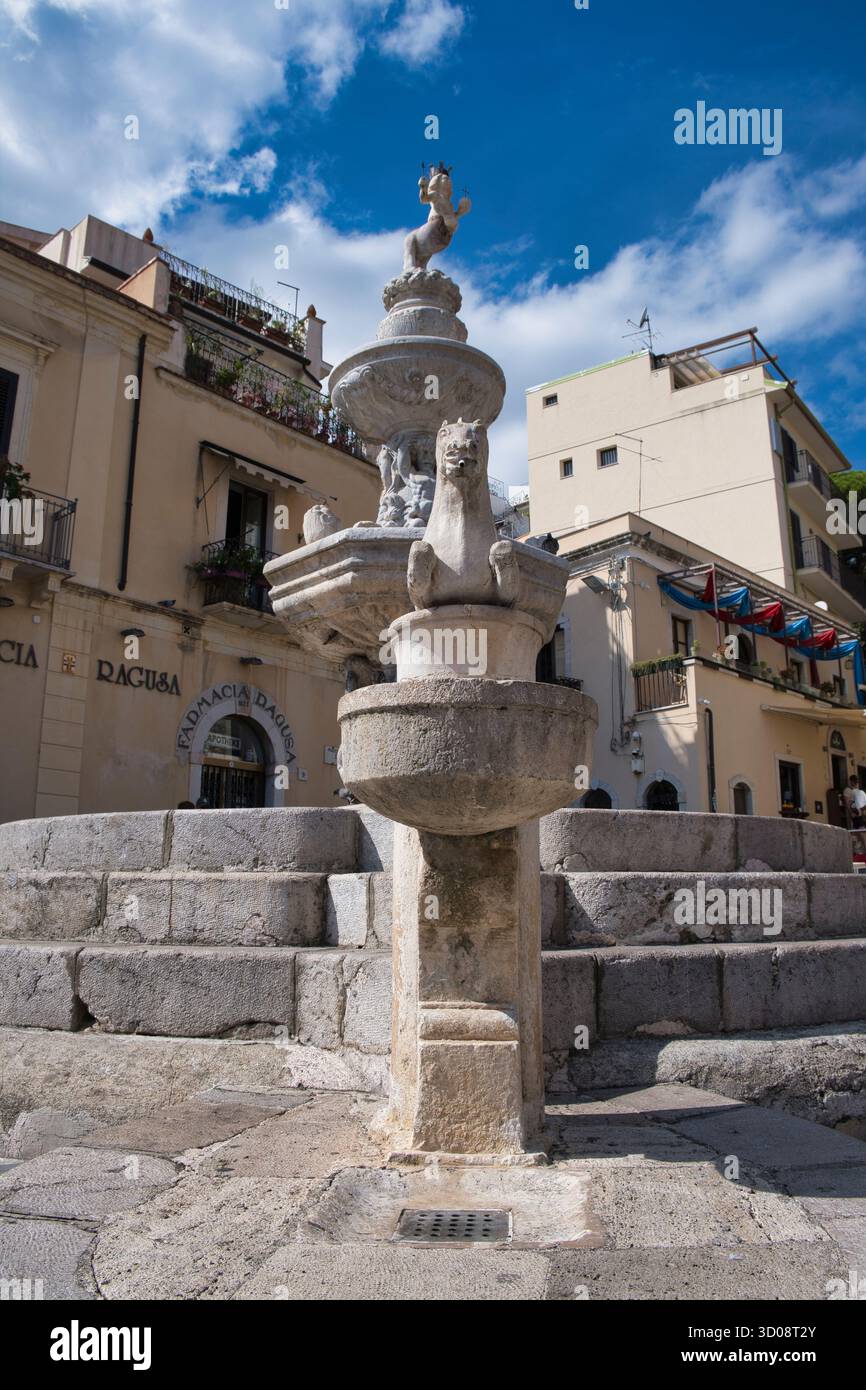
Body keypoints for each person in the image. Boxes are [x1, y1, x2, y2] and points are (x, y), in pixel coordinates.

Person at [842, 776, 866, 856]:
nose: (856, 783)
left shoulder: (858, 791)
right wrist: (851, 813)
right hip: (855, 814)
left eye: (856, 781)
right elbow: (847, 803)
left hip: (860, 814)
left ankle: (858, 851)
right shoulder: (848, 791)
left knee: (858, 832)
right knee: (860, 831)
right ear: (850, 781)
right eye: (854, 781)